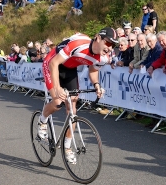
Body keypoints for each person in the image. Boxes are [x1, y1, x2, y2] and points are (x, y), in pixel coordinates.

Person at [38, 27, 118, 164]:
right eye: (108, 43)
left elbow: (93, 70)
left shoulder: (104, 57)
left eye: (113, 45)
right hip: (53, 63)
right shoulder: (79, 44)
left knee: (73, 108)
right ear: (98, 37)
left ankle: (67, 147)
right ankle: (42, 121)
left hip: (70, 69)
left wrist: (97, 85)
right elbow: (54, 63)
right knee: (58, 102)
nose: (110, 48)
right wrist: (57, 87)